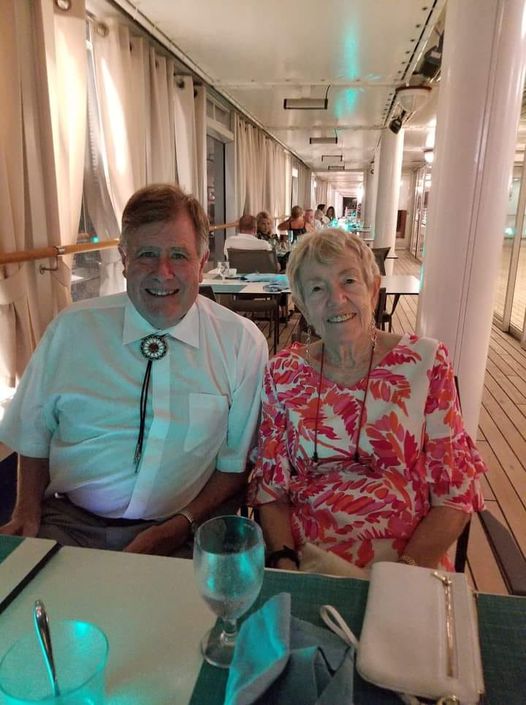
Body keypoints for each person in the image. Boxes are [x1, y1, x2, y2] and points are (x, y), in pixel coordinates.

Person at [0, 184, 269, 555]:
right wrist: (26, 511)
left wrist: (178, 527)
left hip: (181, 532)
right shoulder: (72, 330)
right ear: (124, 259)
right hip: (69, 524)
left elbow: (235, 465)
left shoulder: (241, 343)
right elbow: (33, 433)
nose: (163, 272)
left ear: (202, 262)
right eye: (147, 255)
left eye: (179, 255)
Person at [249, 229, 486, 574]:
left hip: (410, 561)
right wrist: (285, 564)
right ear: (302, 307)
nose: (337, 299)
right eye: (317, 289)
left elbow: (454, 493)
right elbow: (271, 491)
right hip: (309, 560)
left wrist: (401, 574)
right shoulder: (282, 373)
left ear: (373, 291)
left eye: (349, 281)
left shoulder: (426, 362)